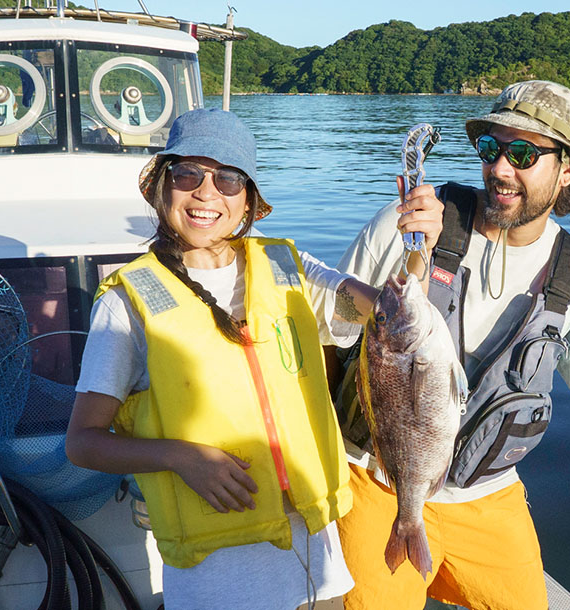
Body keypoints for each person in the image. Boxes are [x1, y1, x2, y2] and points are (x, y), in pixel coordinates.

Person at [333, 80, 570, 610]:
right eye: (492, 148)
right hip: (379, 478)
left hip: (486, 495)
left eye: (522, 153)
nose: (500, 167)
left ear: (568, 170)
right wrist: (412, 263)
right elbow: (327, 331)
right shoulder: (410, 222)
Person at [65, 108, 382, 610]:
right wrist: (180, 456)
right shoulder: (126, 303)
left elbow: (374, 310)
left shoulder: (285, 265)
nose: (207, 192)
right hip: (217, 580)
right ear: (159, 187)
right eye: (187, 173)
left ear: (250, 201)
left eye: (229, 178)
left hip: (318, 566)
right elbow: (82, 443)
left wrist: (416, 243)